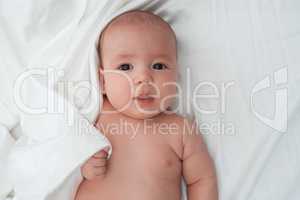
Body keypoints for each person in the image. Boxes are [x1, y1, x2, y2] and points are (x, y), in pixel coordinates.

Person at [76, 10, 218, 200]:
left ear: (176, 74)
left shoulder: (181, 129)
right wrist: (84, 165)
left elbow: (202, 179)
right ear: (103, 81)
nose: (144, 78)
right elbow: (63, 156)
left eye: (158, 66)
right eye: (125, 67)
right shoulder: (95, 116)